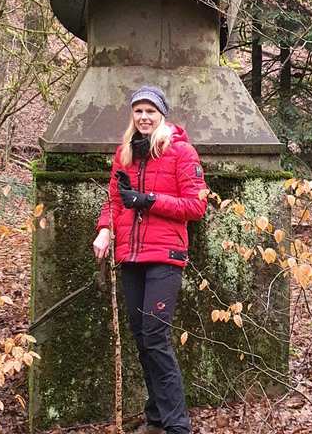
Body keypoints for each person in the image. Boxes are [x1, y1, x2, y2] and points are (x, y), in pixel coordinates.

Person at [93, 86, 208, 434]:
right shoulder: (125, 152)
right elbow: (114, 200)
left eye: (150, 111)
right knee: (143, 338)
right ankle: (156, 417)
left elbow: (196, 206)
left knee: (156, 337)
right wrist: (105, 230)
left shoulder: (181, 152)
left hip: (166, 255)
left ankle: (178, 426)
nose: (144, 117)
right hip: (131, 255)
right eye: (139, 111)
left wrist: (149, 200)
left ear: (162, 115)